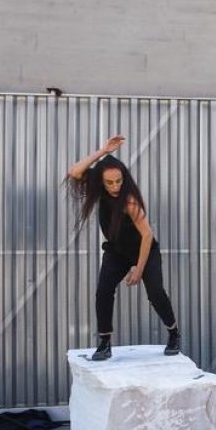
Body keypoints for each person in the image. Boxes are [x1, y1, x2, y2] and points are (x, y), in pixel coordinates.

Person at [66, 135, 181, 361]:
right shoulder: (98, 189)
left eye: (118, 181)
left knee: (155, 292)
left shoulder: (129, 201)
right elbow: (75, 172)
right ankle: (105, 342)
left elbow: (147, 235)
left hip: (144, 249)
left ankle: (174, 333)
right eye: (109, 182)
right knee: (103, 290)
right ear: (101, 182)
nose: (115, 186)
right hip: (117, 251)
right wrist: (102, 151)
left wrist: (139, 268)